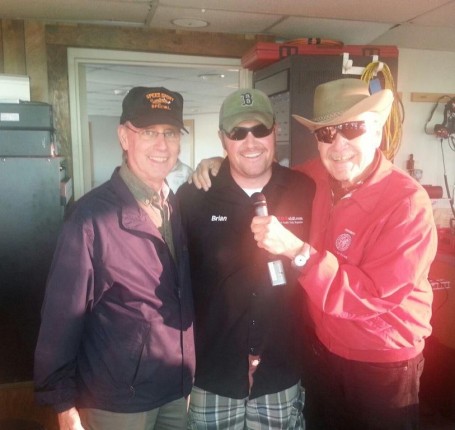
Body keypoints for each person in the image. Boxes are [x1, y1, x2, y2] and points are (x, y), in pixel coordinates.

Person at [191, 78, 438, 430]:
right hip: (321, 356)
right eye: (326, 134)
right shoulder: (313, 178)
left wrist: (297, 251)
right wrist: (222, 165)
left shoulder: (407, 202)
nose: (338, 146)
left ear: (377, 130)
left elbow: (371, 297)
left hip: (383, 365)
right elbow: (259, 169)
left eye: (351, 129)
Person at [34, 87, 195, 430]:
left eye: (170, 133)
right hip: (117, 400)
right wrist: (63, 403)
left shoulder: (174, 206)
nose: (162, 144)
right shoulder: (90, 217)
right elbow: (61, 317)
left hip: (173, 389)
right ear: (124, 136)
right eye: (148, 132)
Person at [177, 88, 315, 429]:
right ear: (223, 139)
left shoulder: (305, 190)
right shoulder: (194, 196)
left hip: (281, 370)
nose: (250, 142)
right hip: (213, 373)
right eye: (238, 133)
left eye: (260, 130)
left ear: (275, 131)